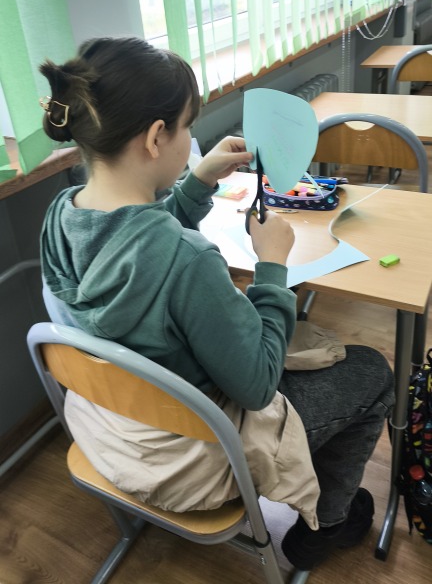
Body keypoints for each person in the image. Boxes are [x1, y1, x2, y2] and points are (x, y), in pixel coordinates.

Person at [38, 37, 394, 571]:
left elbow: (133, 252)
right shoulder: (189, 260)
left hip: (108, 432)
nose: (190, 140)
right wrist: (273, 267)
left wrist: (197, 182)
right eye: (187, 127)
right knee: (371, 370)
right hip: (196, 460)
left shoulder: (60, 218)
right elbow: (257, 385)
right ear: (156, 137)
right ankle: (327, 525)